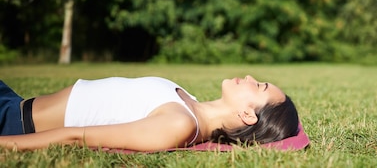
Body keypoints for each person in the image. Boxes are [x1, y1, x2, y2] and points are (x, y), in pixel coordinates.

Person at [0, 75, 299, 151]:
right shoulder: (189, 103)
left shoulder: (179, 123)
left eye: (257, 85)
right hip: (13, 100)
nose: (248, 77)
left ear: (249, 115)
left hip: (11, 120)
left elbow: (78, 137)